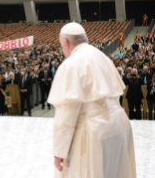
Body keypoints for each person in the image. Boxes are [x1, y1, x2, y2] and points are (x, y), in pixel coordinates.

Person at [48, 22, 136, 178]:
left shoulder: (71, 64)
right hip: (119, 125)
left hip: (94, 130)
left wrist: (59, 151)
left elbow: (66, 114)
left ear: (66, 44)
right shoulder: (102, 57)